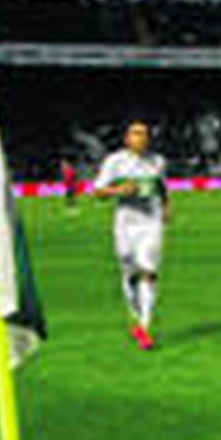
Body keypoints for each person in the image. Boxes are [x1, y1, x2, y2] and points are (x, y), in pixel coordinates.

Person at [92, 119, 169, 351]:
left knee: (148, 270)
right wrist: (118, 190)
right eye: (136, 133)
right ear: (127, 139)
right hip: (125, 224)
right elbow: (98, 191)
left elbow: (161, 185)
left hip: (150, 223)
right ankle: (134, 315)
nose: (141, 138)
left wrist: (165, 205)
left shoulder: (158, 161)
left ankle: (144, 326)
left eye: (144, 133)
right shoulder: (115, 162)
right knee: (129, 269)